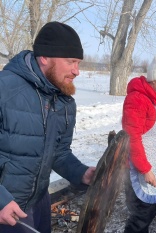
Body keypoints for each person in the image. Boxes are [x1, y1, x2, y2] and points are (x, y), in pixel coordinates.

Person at [0, 21, 96, 232]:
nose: (77, 71)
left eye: (79, 63)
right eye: (71, 61)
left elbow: (59, 153)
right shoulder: (4, 89)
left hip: (39, 200)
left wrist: (81, 173)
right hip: (5, 208)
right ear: (44, 57)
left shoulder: (63, 101)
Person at [122, 55, 156, 233]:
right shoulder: (137, 99)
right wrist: (144, 169)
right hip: (141, 165)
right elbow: (132, 138)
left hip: (153, 162)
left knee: (148, 212)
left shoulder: (155, 98)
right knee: (142, 215)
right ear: (155, 79)